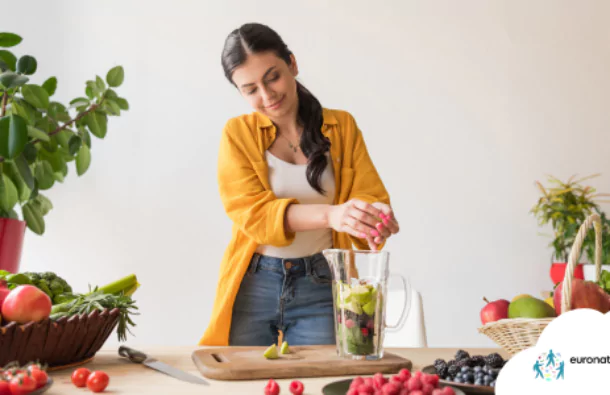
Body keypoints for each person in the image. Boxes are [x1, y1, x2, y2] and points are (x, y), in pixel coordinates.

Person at [199, 22, 400, 347]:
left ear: (291, 63)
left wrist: (373, 217)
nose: (267, 96)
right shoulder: (237, 134)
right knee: (241, 382)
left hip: (323, 281)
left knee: (319, 380)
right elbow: (252, 214)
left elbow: (368, 194)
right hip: (254, 282)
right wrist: (332, 215)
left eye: (273, 77)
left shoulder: (342, 127)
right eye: (250, 89)